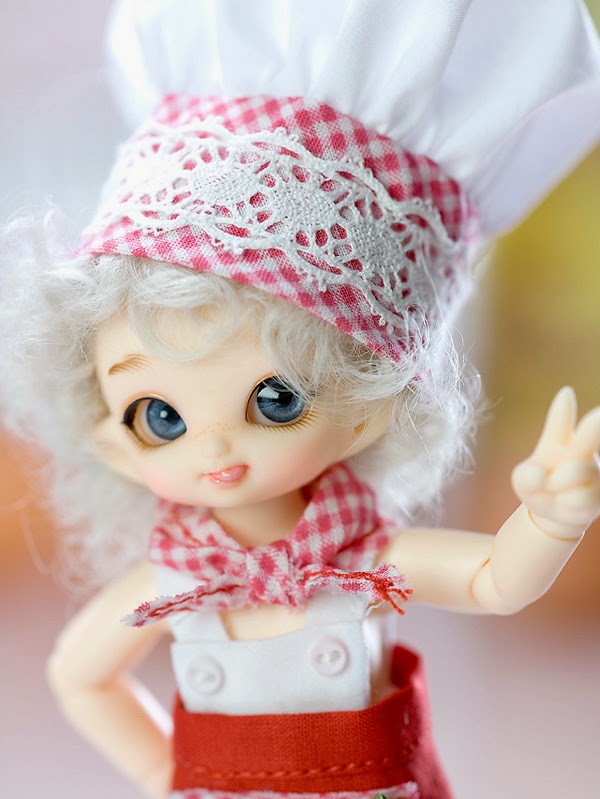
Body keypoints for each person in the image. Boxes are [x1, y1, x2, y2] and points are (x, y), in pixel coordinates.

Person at [1, 2, 600, 798]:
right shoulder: (177, 580)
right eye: (161, 418)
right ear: (110, 436)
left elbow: (495, 580)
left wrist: (550, 520)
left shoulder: (360, 560)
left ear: (369, 405)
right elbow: (78, 676)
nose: (215, 448)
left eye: (276, 400)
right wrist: (168, 772)